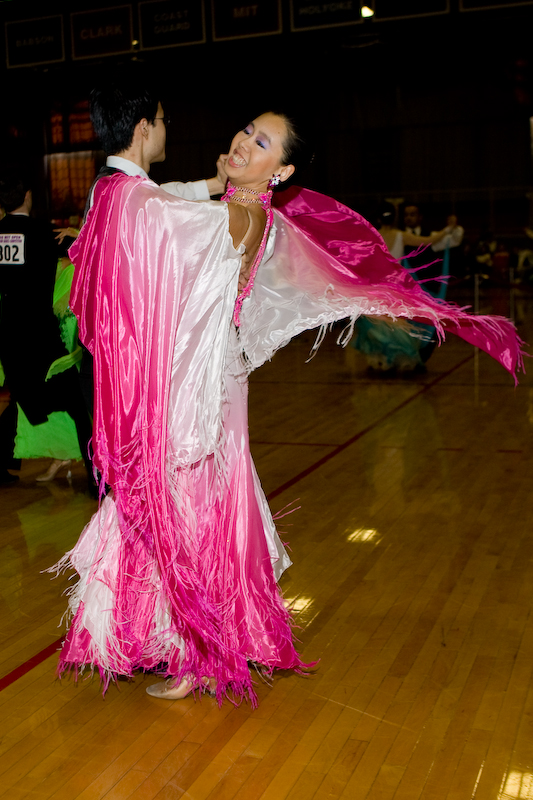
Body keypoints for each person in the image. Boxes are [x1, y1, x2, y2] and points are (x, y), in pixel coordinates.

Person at [53, 74, 524, 706]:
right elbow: (163, 208)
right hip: (197, 376)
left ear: (282, 169)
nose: (243, 142)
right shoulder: (229, 207)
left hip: (203, 388)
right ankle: (178, 635)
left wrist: (112, 202)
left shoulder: (243, 218)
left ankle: (204, 651)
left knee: (196, 509)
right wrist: (182, 190)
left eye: (262, 143)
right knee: (183, 504)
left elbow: (156, 216)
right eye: (247, 130)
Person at [0, 172, 93, 487]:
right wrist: (77, 234)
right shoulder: (43, 232)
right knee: (78, 406)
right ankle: (97, 479)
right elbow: (90, 250)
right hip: (41, 342)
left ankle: (2, 463)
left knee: (20, 399)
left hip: (9, 341)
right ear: (28, 195)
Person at [352, 202, 460, 372]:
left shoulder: (371, 236)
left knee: (377, 326)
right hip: (395, 290)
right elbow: (429, 241)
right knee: (396, 326)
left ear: (378, 219)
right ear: (394, 218)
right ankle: (399, 360)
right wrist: (448, 229)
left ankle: (381, 361)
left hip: (376, 289)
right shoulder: (401, 236)